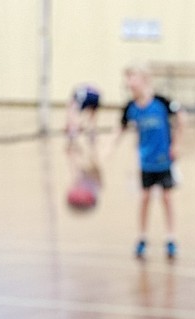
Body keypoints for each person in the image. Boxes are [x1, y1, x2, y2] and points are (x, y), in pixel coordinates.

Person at [110, 63, 184, 260]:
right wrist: (108, 146)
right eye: (127, 80)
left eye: (132, 78)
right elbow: (120, 128)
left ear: (143, 80)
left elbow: (181, 117)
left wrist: (176, 144)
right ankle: (142, 238)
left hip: (164, 159)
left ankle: (171, 238)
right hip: (145, 161)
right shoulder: (131, 107)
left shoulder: (161, 102)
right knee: (145, 198)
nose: (128, 83)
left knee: (167, 198)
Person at [65, 83, 101, 147]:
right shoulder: (79, 91)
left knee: (74, 113)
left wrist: (73, 124)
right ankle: (92, 133)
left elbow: (71, 113)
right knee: (92, 115)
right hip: (97, 95)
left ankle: (73, 131)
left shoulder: (75, 97)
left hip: (86, 95)